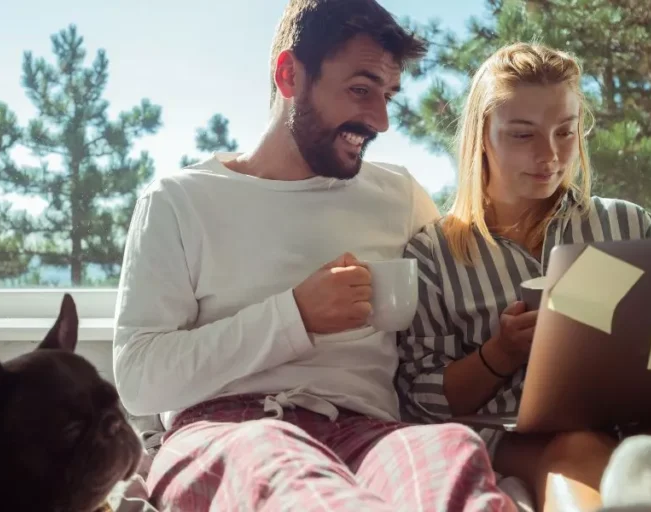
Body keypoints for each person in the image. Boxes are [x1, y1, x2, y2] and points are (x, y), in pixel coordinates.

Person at [112, 1, 518, 510]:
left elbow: (455, 316)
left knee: (448, 451)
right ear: (289, 75)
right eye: (361, 90)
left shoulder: (399, 196)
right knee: (279, 463)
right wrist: (295, 316)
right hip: (226, 430)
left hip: (367, 433)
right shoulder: (179, 201)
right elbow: (140, 380)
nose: (381, 120)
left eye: (388, 96)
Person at [395, 41, 651, 512]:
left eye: (565, 131)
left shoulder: (628, 224)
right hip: (528, 434)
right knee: (573, 448)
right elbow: (420, 399)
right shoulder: (434, 255)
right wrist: (500, 354)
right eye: (523, 134)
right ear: (482, 137)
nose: (550, 155)